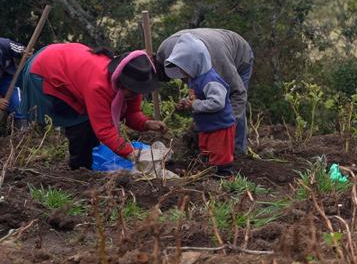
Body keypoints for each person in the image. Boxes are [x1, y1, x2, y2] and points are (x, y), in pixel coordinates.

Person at [16, 43, 165, 170]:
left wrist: (146, 123)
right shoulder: (98, 86)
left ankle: (89, 160)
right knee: (80, 123)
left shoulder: (132, 83)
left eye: (137, 91)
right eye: (131, 91)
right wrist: (130, 153)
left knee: (90, 125)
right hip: (47, 70)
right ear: (121, 81)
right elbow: (104, 128)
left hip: (70, 64)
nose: (134, 94)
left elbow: (131, 113)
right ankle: (80, 169)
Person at [157, 28, 253, 155]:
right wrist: (190, 101)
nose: (182, 76)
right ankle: (209, 148)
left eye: (183, 73)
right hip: (212, 44)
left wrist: (224, 126)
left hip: (238, 54)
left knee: (230, 105)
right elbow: (199, 90)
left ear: (192, 64)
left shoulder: (215, 67)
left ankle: (237, 152)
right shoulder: (167, 54)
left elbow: (238, 94)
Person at [162, 34, 236, 178]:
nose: (182, 72)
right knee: (207, 149)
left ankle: (224, 175)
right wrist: (186, 102)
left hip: (220, 125)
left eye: (184, 67)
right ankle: (208, 171)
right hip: (207, 125)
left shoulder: (211, 80)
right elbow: (196, 97)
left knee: (220, 153)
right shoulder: (195, 79)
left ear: (194, 63)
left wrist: (195, 104)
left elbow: (217, 102)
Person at [0, 37, 25, 116]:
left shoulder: (5, 44)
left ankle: (22, 126)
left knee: (16, 105)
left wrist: (25, 52)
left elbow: (24, 50)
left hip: (7, 77)